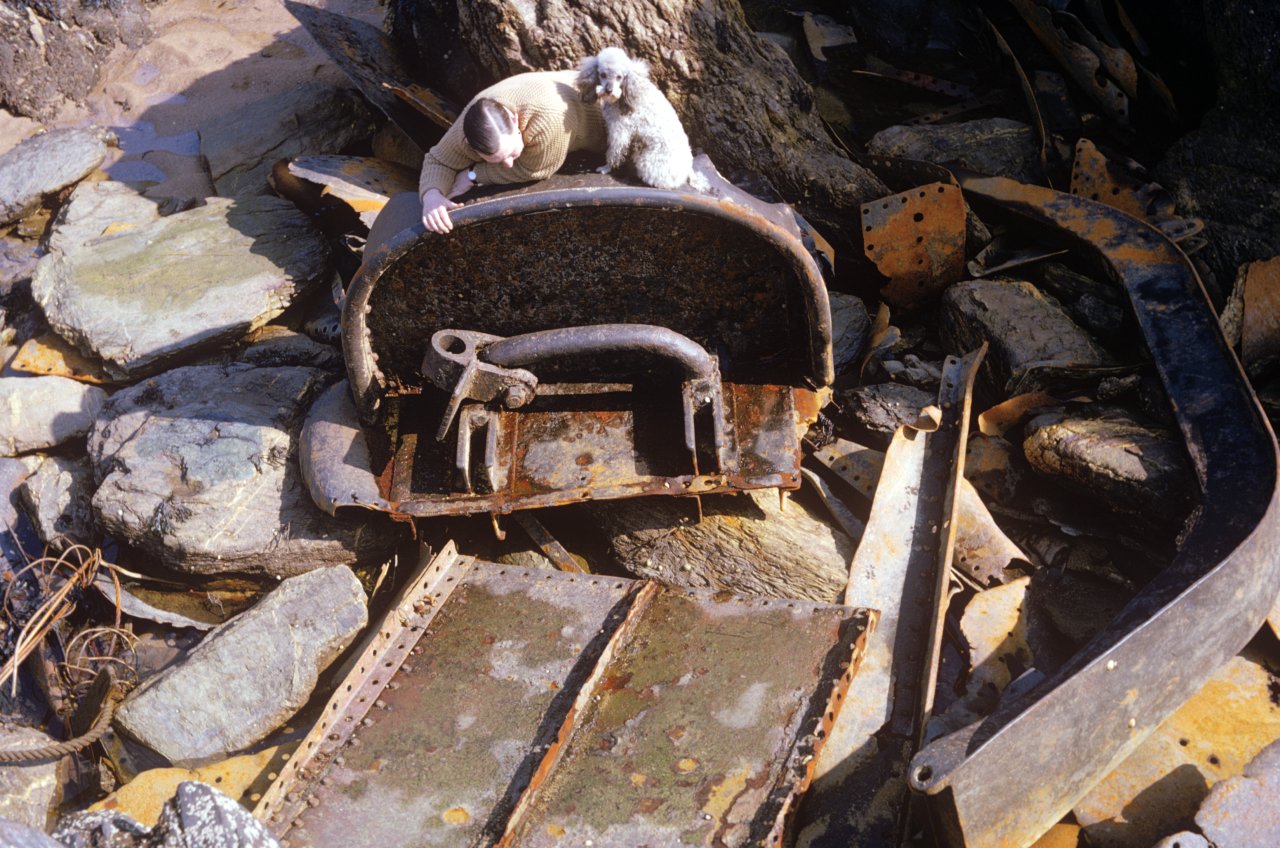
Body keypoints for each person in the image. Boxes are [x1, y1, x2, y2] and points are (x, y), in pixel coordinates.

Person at [417, 69, 607, 234]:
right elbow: (438, 160)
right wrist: (431, 196)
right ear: (469, 144)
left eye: (512, 153)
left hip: (611, 124)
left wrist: (474, 174)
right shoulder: (478, 119)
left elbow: (533, 169)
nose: (508, 163)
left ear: (515, 121)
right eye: (498, 160)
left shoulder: (548, 120)